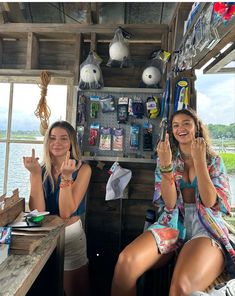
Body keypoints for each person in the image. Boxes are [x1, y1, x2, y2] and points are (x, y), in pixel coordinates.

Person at [111, 108, 235, 296]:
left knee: (181, 288)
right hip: (172, 222)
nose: (181, 128)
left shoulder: (214, 161)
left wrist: (200, 161)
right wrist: (166, 165)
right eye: (176, 125)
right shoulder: (167, 160)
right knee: (125, 262)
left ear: (197, 128)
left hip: (206, 227)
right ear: (171, 132)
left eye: (186, 123)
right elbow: (169, 204)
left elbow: (210, 202)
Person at [23, 120, 91, 296]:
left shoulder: (83, 170)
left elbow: (66, 212)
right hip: (45, 237)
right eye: (52, 138)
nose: (57, 143)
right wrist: (35, 175)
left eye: (63, 138)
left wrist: (66, 178)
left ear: (71, 143)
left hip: (71, 237)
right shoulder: (42, 168)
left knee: (77, 292)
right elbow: (37, 211)